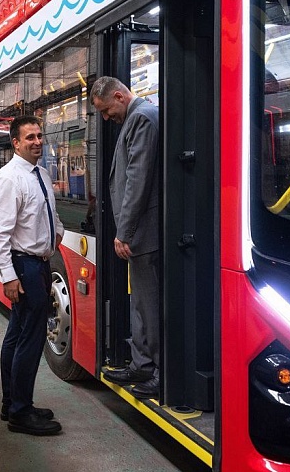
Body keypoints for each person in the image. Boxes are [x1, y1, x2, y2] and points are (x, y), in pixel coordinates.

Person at [0, 115, 64, 436]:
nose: (36, 142)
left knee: (18, 334)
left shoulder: (42, 175)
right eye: (29, 137)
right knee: (30, 339)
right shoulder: (8, 179)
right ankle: (20, 411)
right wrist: (8, 276)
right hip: (24, 266)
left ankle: (13, 402)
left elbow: (51, 216)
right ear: (15, 143)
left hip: (40, 263)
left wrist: (54, 235)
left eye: (39, 136)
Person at [90, 76, 162, 398]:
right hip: (140, 234)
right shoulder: (137, 117)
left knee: (150, 305)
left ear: (119, 96)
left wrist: (124, 232)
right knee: (141, 304)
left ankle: (159, 372)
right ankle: (141, 364)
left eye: (106, 110)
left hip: (143, 233)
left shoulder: (142, 118)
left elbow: (137, 180)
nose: (106, 118)